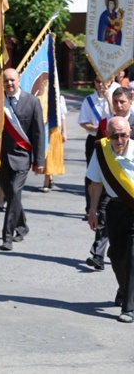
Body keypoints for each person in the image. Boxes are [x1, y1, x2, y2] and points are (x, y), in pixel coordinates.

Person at [87, 116, 134, 323]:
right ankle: (125, 290)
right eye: (114, 135)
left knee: (132, 257)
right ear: (107, 135)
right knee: (116, 255)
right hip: (115, 208)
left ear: (129, 133)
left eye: (123, 134)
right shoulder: (101, 152)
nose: (119, 139)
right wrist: (93, 210)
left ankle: (129, 308)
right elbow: (95, 184)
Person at [86, 87, 134, 271]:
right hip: (110, 181)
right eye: (115, 102)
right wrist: (92, 206)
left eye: (122, 101)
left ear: (131, 101)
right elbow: (98, 154)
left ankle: (127, 293)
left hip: (130, 186)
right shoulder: (106, 123)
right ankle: (99, 252)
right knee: (105, 217)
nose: (119, 105)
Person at [0, 68, 45, 250]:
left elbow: (38, 133)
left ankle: (7, 237)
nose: (9, 83)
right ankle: (22, 226)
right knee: (12, 196)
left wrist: (39, 161)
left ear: (19, 81)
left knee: (15, 194)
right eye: (6, 80)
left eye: (12, 80)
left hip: (22, 157)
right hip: (2, 159)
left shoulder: (32, 102)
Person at [78, 77, 111, 220]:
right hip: (94, 139)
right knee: (92, 174)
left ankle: (106, 206)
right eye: (98, 81)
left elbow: (115, 115)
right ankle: (90, 207)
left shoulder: (114, 99)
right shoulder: (89, 100)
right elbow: (83, 121)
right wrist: (97, 129)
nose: (101, 85)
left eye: (105, 81)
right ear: (94, 83)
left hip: (111, 140)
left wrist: (109, 98)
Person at [42, 94, 68, 192]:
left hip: (55, 129)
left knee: (51, 155)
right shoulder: (44, 94)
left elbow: (62, 116)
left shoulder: (60, 97)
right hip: (44, 127)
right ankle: (49, 177)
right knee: (46, 155)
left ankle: (46, 180)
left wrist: (64, 132)